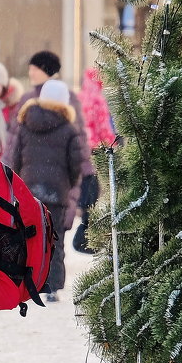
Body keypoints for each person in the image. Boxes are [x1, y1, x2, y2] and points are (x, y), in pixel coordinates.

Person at [7, 79, 84, 303]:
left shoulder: (25, 122)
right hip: (57, 192)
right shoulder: (69, 129)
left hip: (29, 190)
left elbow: (15, 157)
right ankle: (51, 285)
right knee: (55, 240)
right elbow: (76, 163)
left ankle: (28, 281)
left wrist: (18, 184)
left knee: (29, 237)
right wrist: (69, 184)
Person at [6, 49, 93, 232]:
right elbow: (15, 136)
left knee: (42, 235)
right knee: (48, 237)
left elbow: (78, 136)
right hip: (49, 182)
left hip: (46, 179)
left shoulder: (67, 98)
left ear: (46, 70)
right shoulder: (27, 98)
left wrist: (86, 170)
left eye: (35, 69)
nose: (31, 73)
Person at [72, 66, 115, 254]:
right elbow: (103, 125)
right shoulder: (98, 98)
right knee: (92, 191)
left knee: (85, 189)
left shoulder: (79, 97)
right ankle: (85, 236)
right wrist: (111, 144)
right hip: (95, 150)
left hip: (80, 150)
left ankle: (84, 230)